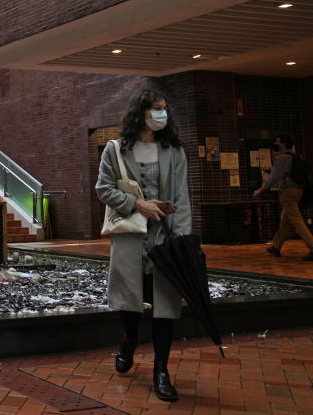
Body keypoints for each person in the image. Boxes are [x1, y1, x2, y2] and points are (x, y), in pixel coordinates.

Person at [96, 87, 191, 402]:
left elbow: (181, 199)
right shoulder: (115, 150)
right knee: (129, 300)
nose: (162, 114)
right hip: (130, 237)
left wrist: (183, 240)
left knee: (165, 305)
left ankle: (161, 370)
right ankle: (129, 338)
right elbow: (104, 189)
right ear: (141, 112)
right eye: (156, 108)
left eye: (164, 108)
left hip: (165, 238)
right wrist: (139, 204)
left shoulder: (174, 151)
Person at [254, 134, 313, 260]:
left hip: (287, 192)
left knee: (297, 221)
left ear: (283, 144)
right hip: (299, 191)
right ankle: (276, 246)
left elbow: (274, 177)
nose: (275, 143)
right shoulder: (297, 157)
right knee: (285, 221)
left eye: (277, 141)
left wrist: (261, 189)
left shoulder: (283, 158)